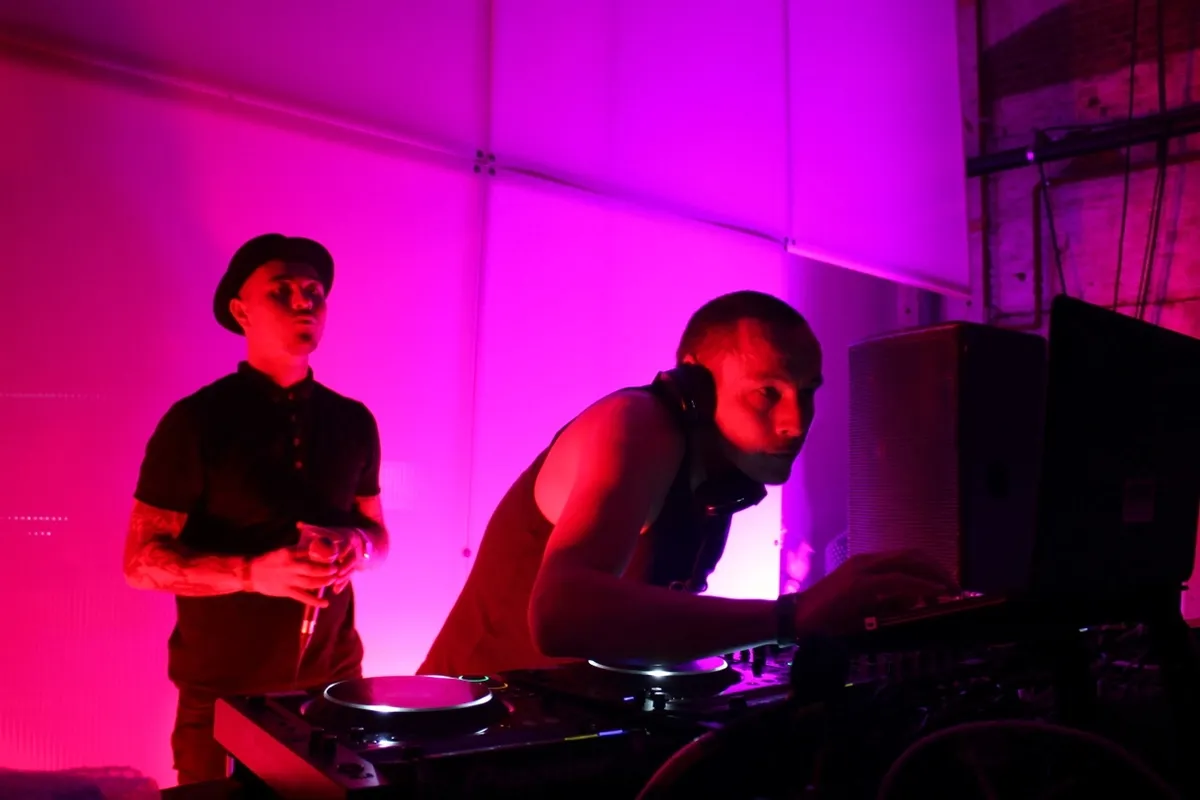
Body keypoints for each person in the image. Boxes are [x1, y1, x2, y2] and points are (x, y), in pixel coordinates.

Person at [419, 290, 954, 677]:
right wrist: (792, 616)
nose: (796, 422)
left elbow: (641, 631)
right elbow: (560, 614)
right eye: (767, 392)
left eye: (807, 392)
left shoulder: (714, 481)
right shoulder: (635, 424)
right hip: (465, 744)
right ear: (696, 382)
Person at [122, 233, 389, 785]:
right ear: (241, 311)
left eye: (314, 291)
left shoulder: (354, 421)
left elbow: (378, 537)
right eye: (281, 291)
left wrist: (357, 546)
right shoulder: (196, 421)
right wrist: (253, 574)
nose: (303, 302)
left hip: (335, 687)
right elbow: (140, 563)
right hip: (225, 694)